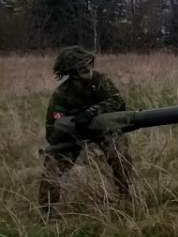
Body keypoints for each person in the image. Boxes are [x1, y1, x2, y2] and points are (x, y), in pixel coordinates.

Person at [40, 46, 135, 216]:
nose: (88, 69)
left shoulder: (99, 81)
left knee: (119, 155)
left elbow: (118, 102)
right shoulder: (61, 94)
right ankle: (48, 213)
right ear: (71, 71)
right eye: (82, 67)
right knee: (52, 164)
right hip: (74, 134)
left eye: (89, 64)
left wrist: (91, 112)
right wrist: (70, 127)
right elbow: (51, 133)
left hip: (104, 129)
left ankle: (127, 199)